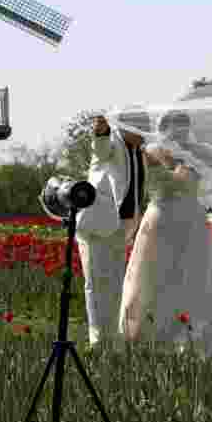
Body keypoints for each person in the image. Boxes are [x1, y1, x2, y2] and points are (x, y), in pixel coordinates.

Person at [117, 111, 212, 358]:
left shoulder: (197, 150)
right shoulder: (150, 152)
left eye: (184, 128)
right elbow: (148, 186)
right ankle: (148, 334)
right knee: (155, 276)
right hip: (160, 223)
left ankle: (197, 334)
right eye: (175, 129)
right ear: (164, 129)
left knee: (196, 276)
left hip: (192, 223)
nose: (179, 134)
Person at [74, 114, 146, 347]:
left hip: (121, 227)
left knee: (116, 284)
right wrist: (101, 132)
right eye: (140, 128)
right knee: (95, 284)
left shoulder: (138, 152)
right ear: (125, 128)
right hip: (97, 225)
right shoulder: (113, 144)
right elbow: (101, 149)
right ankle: (98, 341)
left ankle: (115, 337)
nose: (144, 133)